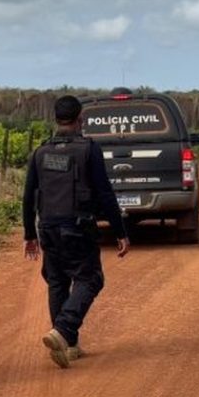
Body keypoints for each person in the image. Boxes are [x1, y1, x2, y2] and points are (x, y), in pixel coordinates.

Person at [23, 95, 130, 368]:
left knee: (57, 281)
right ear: (80, 119)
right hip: (78, 227)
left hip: (46, 227)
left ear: (56, 118)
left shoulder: (41, 151)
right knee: (90, 279)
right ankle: (63, 330)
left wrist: (29, 235)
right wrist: (120, 232)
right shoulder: (89, 149)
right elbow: (105, 193)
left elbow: (27, 195)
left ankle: (68, 346)